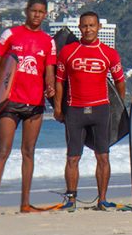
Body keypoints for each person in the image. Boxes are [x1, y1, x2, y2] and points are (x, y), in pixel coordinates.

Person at [0, 0, 57, 218]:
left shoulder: (48, 41)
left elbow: (48, 70)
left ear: (46, 14)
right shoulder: (11, 34)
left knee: (28, 153)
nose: (37, 15)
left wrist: (50, 88)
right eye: (34, 11)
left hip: (35, 104)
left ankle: (25, 203)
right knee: (3, 152)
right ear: (26, 11)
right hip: (9, 102)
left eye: (41, 12)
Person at [53, 11, 126, 211]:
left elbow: (120, 81)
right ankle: (71, 199)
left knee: (103, 156)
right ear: (79, 27)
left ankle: (102, 200)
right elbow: (59, 83)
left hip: (101, 110)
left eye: (92, 26)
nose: (88, 30)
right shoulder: (68, 52)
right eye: (84, 26)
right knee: (72, 157)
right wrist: (59, 108)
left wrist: (118, 107)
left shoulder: (108, 53)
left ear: (98, 27)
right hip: (74, 110)